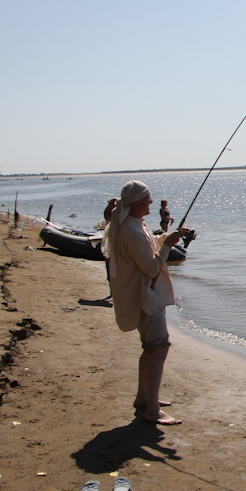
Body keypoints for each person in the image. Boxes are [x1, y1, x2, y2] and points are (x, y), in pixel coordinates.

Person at [102, 181, 189, 425]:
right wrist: (169, 246)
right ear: (136, 201)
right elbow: (151, 268)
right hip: (146, 297)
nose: (152, 202)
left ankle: (143, 398)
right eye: (148, 198)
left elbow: (148, 248)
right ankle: (152, 409)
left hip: (142, 296)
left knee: (150, 348)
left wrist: (166, 238)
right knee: (159, 347)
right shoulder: (131, 230)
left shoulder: (133, 224)